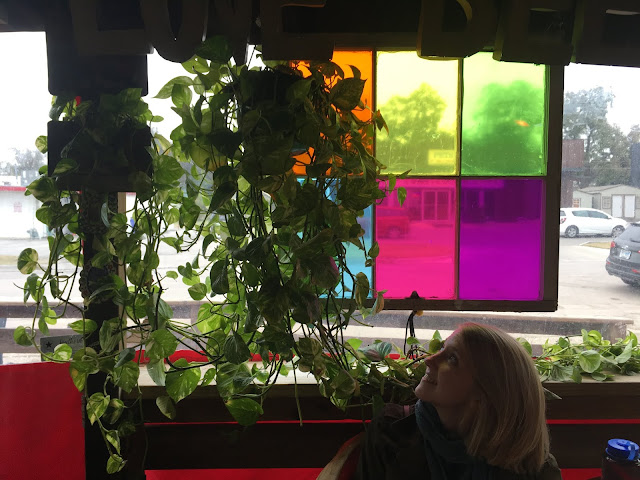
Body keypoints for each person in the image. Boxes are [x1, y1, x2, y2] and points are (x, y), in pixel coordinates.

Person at [318, 323, 562, 480]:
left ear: (485, 391)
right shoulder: (391, 432)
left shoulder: (533, 467)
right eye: (442, 349)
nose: (429, 360)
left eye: (452, 358)